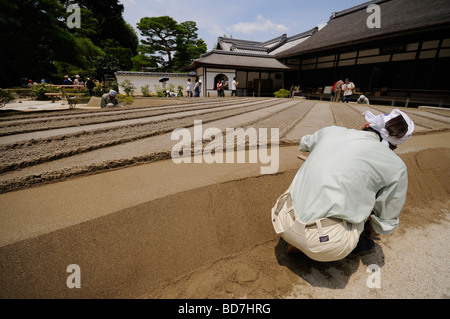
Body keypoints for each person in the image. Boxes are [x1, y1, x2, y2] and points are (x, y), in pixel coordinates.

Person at [271, 109, 414, 262]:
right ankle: (349, 243)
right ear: (395, 146)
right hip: (323, 244)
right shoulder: (396, 166)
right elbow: (386, 220)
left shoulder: (332, 132)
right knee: (366, 203)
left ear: (367, 124)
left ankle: (294, 237)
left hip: (281, 221)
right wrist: (370, 226)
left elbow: (305, 143)